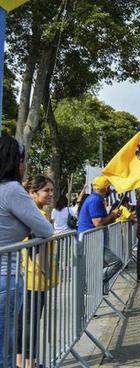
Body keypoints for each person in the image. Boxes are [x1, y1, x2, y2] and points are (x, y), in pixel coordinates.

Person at [0, 136, 53, 368]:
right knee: (5, 349)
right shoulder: (12, 190)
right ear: (15, 162)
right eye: (23, 161)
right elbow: (45, 229)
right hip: (6, 278)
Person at [17, 175, 56, 367]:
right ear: (33, 193)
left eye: (51, 190)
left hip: (32, 276)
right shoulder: (36, 214)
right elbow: (36, 249)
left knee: (26, 323)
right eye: (46, 190)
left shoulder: (35, 212)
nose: (50, 194)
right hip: (34, 278)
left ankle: (23, 362)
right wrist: (47, 273)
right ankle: (27, 363)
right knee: (29, 324)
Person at [77, 176, 123, 294]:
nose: (110, 191)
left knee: (100, 267)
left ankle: (93, 286)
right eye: (109, 188)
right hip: (91, 241)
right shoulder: (95, 200)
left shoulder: (96, 199)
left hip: (93, 240)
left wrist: (113, 216)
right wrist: (112, 215)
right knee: (116, 263)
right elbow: (98, 223)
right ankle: (92, 283)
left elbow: (103, 221)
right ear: (105, 188)